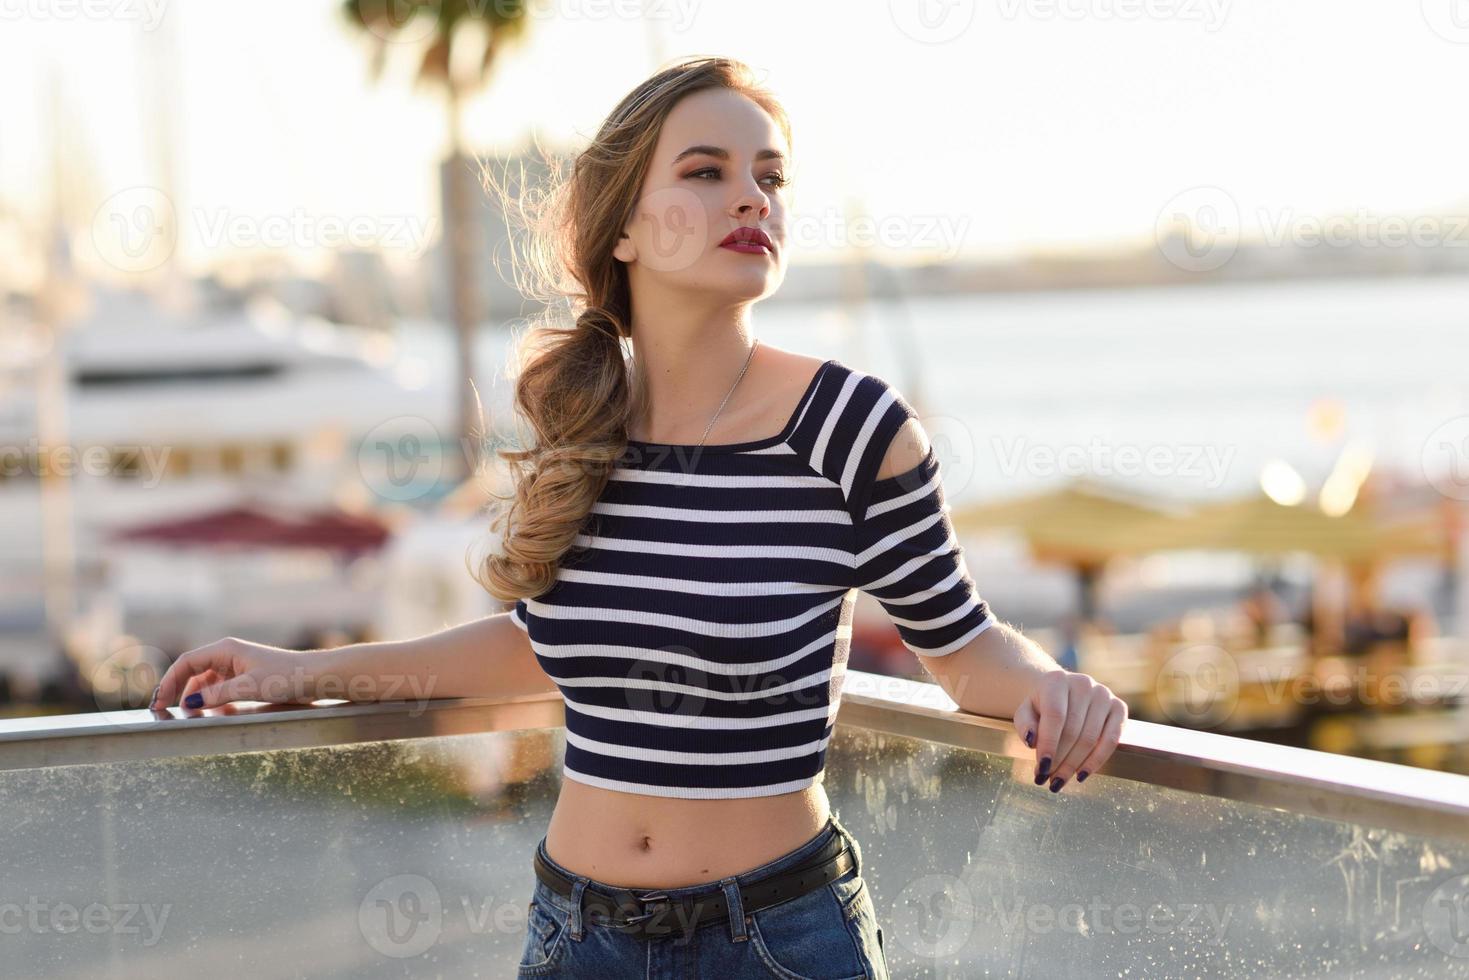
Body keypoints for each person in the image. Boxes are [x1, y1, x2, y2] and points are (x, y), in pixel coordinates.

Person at [148, 57, 1128, 978]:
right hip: (578, 930)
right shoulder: (585, 421)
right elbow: (539, 648)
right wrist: (299, 672)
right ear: (621, 227)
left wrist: (1055, 687)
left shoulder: (853, 426)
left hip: (777, 934)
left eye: (769, 176)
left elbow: (959, 646)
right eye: (705, 172)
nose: (751, 197)